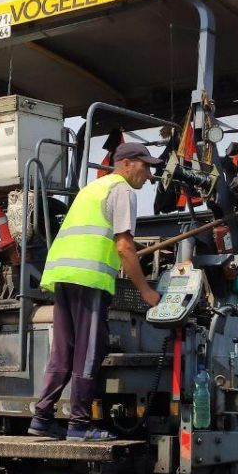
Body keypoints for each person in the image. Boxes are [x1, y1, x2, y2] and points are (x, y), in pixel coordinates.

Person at [29, 143, 163, 441]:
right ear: (127, 163)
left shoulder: (93, 188)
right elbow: (124, 247)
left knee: (64, 350)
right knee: (89, 350)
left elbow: (103, 236)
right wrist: (146, 291)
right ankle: (79, 424)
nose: (149, 174)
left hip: (64, 275)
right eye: (146, 166)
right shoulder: (122, 190)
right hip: (90, 278)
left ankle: (42, 418)